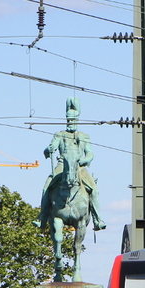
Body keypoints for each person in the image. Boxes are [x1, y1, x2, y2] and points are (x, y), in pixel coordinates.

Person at [40, 97, 107, 231]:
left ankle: (98, 219)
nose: (70, 122)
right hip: (62, 166)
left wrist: (85, 160)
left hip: (79, 167)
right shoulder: (59, 135)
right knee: (46, 188)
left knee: (94, 190)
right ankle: (42, 217)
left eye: (73, 120)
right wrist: (49, 149)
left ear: (77, 120)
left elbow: (90, 153)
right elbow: (49, 148)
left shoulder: (84, 136)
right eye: (68, 120)